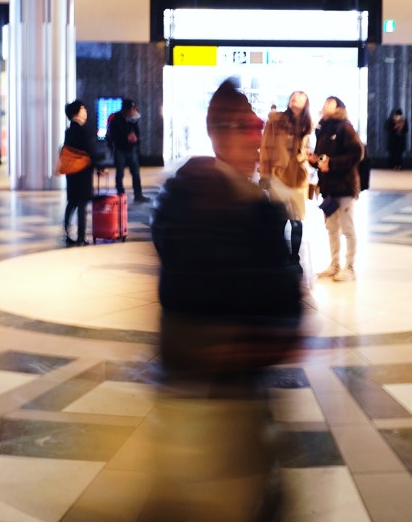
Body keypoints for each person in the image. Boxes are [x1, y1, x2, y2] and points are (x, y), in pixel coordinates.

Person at [149, 79, 303, 521]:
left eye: (255, 128)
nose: (254, 138)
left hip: (238, 376)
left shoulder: (255, 202)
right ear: (216, 133)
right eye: (241, 127)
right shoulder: (194, 198)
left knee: (248, 477)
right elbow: (187, 286)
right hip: (209, 379)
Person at [310, 96, 365, 282]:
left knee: (347, 228)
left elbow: (358, 152)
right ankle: (334, 264)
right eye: (324, 102)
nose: (324, 105)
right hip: (329, 187)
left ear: (338, 107)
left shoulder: (344, 127)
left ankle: (350, 268)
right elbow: (323, 157)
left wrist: (332, 164)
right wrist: (315, 160)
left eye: (329, 103)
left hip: (345, 186)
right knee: (332, 228)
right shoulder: (323, 128)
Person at [259, 90, 312, 267]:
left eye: (300, 95)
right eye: (293, 95)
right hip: (278, 176)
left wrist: (305, 155)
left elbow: (311, 151)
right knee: (280, 218)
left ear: (306, 102)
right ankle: (278, 256)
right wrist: (265, 174)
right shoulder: (276, 121)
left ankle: (294, 258)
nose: (295, 97)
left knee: (297, 219)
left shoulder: (307, 125)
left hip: (298, 177)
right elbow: (265, 147)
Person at [62, 100, 104, 246]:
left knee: (72, 202)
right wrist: (99, 165)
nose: (85, 111)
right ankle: (81, 237)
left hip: (71, 171)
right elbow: (90, 151)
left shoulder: (69, 131)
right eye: (83, 109)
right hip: (82, 172)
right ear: (76, 113)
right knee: (81, 204)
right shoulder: (82, 130)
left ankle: (67, 232)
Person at [107, 99, 149, 203]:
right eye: (131, 109)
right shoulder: (115, 118)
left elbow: (136, 132)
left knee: (135, 173)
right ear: (125, 109)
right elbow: (113, 136)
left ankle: (138, 195)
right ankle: (120, 194)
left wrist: (136, 139)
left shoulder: (133, 118)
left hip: (131, 149)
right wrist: (126, 138)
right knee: (120, 173)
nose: (133, 111)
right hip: (120, 149)